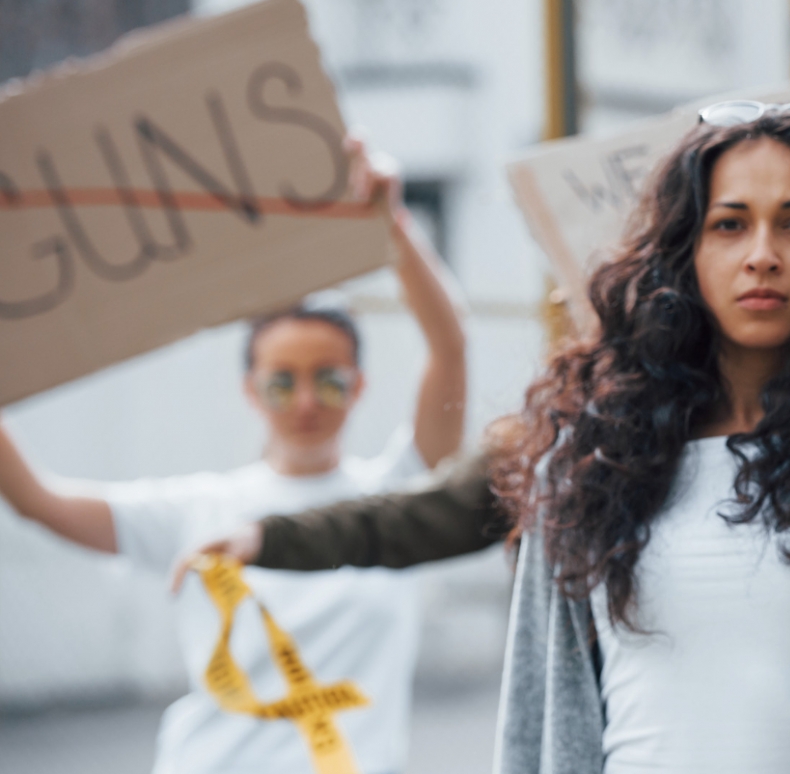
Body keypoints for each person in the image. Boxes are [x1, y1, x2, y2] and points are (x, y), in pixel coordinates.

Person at [187, 103, 790, 774]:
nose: (762, 253)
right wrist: (268, 537)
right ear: (684, 253)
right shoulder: (589, 451)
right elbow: (414, 517)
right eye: (729, 223)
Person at [0, 137, 467, 774]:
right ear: (250, 390)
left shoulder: (401, 498)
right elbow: (37, 501)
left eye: (328, 378)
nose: (306, 400)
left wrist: (393, 224)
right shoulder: (200, 508)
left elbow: (449, 348)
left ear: (359, 385)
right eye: (282, 381)